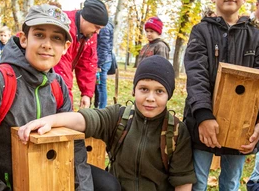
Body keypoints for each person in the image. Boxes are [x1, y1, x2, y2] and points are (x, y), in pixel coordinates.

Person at [0, 5, 93, 191]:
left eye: (57, 38)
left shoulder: (58, 85)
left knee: (107, 185)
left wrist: (83, 187)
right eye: (40, 35)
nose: (47, 45)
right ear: (24, 39)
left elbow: (73, 142)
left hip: (51, 176)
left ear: (66, 47)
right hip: (10, 184)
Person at [19, 55, 197, 191]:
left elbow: (183, 181)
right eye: (144, 89)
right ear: (134, 90)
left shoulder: (176, 132)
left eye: (159, 91)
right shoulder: (120, 117)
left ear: (169, 95)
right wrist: (50, 120)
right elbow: (86, 119)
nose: (150, 98)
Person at [183, 0, 259, 190]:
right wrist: (203, 116)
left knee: (231, 182)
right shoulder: (200, 31)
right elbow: (196, 76)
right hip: (203, 124)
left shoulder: (257, 37)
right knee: (198, 181)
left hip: (241, 126)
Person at [54, 0, 108, 108]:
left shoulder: (90, 34)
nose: (98, 32)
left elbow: (88, 63)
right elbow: (61, 69)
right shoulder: (64, 26)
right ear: (84, 19)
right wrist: (67, 105)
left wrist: (87, 94)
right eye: (96, 27)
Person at [95, 20, 114, 108]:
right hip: (105, 59)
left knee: (101, 86)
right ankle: (98, 106)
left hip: (103, 61)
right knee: (99, 85)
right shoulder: (108, 25)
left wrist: (99, 64)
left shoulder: (104, 27)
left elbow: (103, 46)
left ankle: (102, 108)